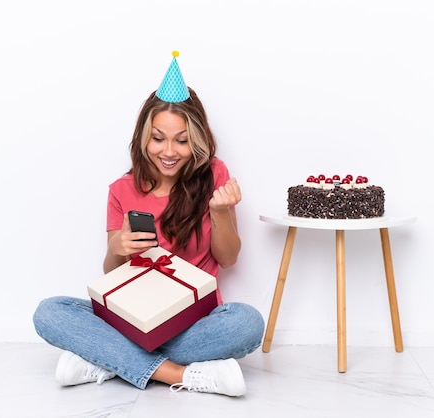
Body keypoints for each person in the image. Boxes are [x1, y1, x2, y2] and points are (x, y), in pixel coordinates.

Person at [32, 52, 265, 397]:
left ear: (197, 140)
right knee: (50, 312)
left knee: (247, 322)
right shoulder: (121, 190)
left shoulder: (215, 174)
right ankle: (178, 373)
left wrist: (220, 211)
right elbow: (111, 275)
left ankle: (106, 361)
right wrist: (116, 248)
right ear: (144, 137)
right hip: (131, 319)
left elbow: (228, 258)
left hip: (193, 322)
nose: (169, 151)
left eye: (182, 140)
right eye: (158, 138)